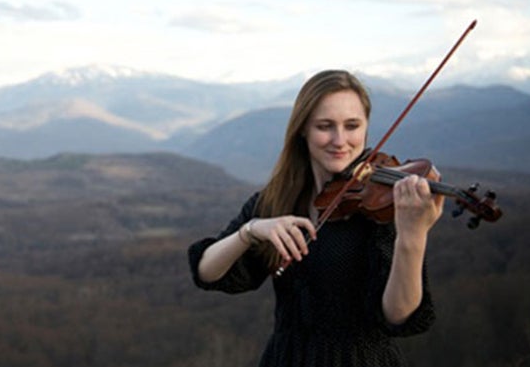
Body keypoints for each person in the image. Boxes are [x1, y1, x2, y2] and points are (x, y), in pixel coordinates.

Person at [187, 70, 444, 366]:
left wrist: (412, 236)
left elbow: (398, 315)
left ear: (366, 129)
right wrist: (251, 231)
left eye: (352, 126)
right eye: (325, 126)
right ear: (303, 130)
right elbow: (206, 271)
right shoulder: (276, 200)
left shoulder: (382, 207)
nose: (340, 140)